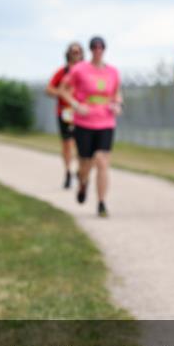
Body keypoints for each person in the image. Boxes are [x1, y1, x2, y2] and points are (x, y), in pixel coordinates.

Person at [58, 36, 122, 218]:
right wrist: (76, 105)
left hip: (106, 122)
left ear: (105, 49)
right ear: (91, 49)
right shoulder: (79, 70)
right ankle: (83, 182)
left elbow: (117, 93)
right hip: (84, 122)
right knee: (85, 162)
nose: (97, 49)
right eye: (94, 47)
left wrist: (117, 104)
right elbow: (63, 90)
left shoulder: (113, 72)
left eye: (101, 46)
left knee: (102, 161)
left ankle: (101, 203)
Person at [46, 42, 84, 189]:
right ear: (68, 54)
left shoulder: (86, 71)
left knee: (82, 144)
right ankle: (68, 172)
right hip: (66, 112)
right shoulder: (62, 72)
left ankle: (81, 170)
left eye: (78, 52)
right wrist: (63, 94)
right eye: (73, 52)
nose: (76, 54)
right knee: (67, 144)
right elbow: (49, 89)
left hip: (82, 112)